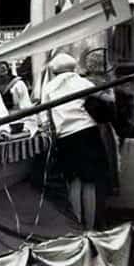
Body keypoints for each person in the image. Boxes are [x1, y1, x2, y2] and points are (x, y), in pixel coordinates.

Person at [41, 53, 114, 230]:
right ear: (73, 67)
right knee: (89, 182)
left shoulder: (49, 87)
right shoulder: (82, 83)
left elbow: (44, 115)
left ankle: (77, 226)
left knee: (73, 183)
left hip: (65, 137)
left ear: (55, 70)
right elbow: (108, 100)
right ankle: (89, 227)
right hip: (87, 133)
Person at [0, 60, 38, 134]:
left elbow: (26, 108)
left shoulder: (18, 84)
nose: (3, 66)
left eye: (4, 63)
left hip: (18, 122)